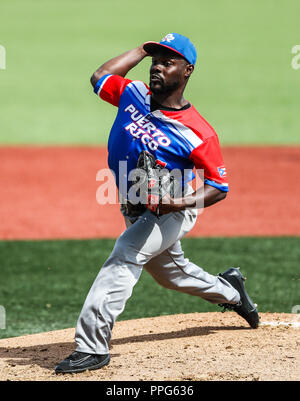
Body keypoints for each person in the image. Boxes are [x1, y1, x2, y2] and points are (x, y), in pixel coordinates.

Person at [55, 33, 259, 374]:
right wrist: (140, 50)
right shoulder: (133, 94)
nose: (157, 68)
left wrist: (177, 203)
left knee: (124, 257)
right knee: (171, 274)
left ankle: (92, 347)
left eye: (168, 62)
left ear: (187, 71)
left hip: (173, 210)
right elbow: (99, 78)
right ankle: (233, 292)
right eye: (155, 61)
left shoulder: (198, 132)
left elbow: (219, 187)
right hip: (136, 205)